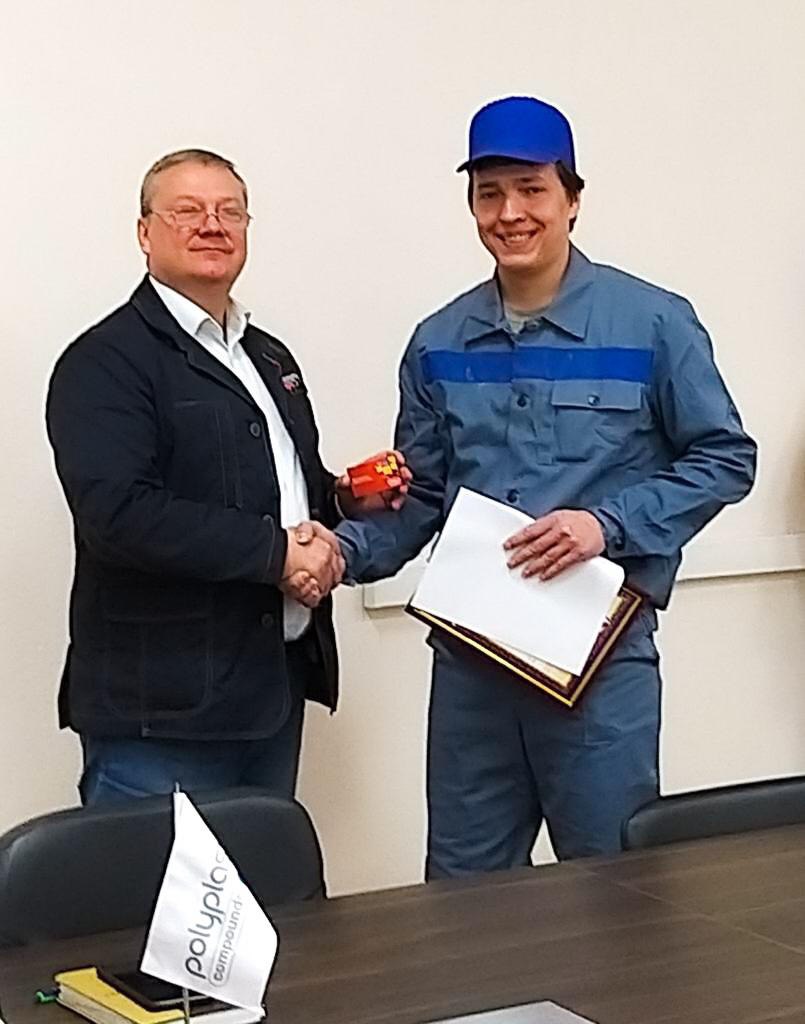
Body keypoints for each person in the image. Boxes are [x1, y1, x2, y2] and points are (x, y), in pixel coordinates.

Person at [334, 97, 757, 878]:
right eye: (488, 194)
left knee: (612, 888)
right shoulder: (437, 342)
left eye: (531, 189)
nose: (510, 213)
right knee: (464, 892)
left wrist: (605, 525)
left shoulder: (653, 324)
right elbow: (421, 497)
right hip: (471, 668)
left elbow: (725, 457)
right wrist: (337, 551)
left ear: (571, 198)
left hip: (597, 665)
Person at [46, 148, 408, 805]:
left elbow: (273, 491)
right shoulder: (104, 362)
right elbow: (119, 516)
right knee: (155, 878)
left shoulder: (268, 357)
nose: (212, 225)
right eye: (187, 211)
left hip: (270, 696)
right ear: (144, 232)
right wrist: (280, 554)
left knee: (264, 873)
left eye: (229, 211)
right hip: (160, 718)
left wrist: (341, 499)